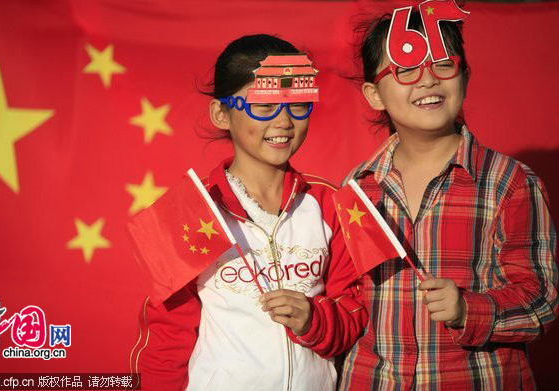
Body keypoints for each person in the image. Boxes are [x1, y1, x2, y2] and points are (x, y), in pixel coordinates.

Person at [129, 34, 366, 391]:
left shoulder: (332, 204)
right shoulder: (190, 211)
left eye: (298, 104)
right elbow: (166, 340)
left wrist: (314, 321)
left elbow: (354, 310)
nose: (284, 122)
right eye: (263, 106)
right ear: (221, 113)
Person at [339, 8, 558, 390]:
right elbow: (350, 301)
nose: (426, 79)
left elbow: (542, 301)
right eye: (405, 70)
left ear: (465, 77)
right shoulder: (357, 188)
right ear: (375, 94)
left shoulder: (509, 182)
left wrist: (466, 311)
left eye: (442, 63)